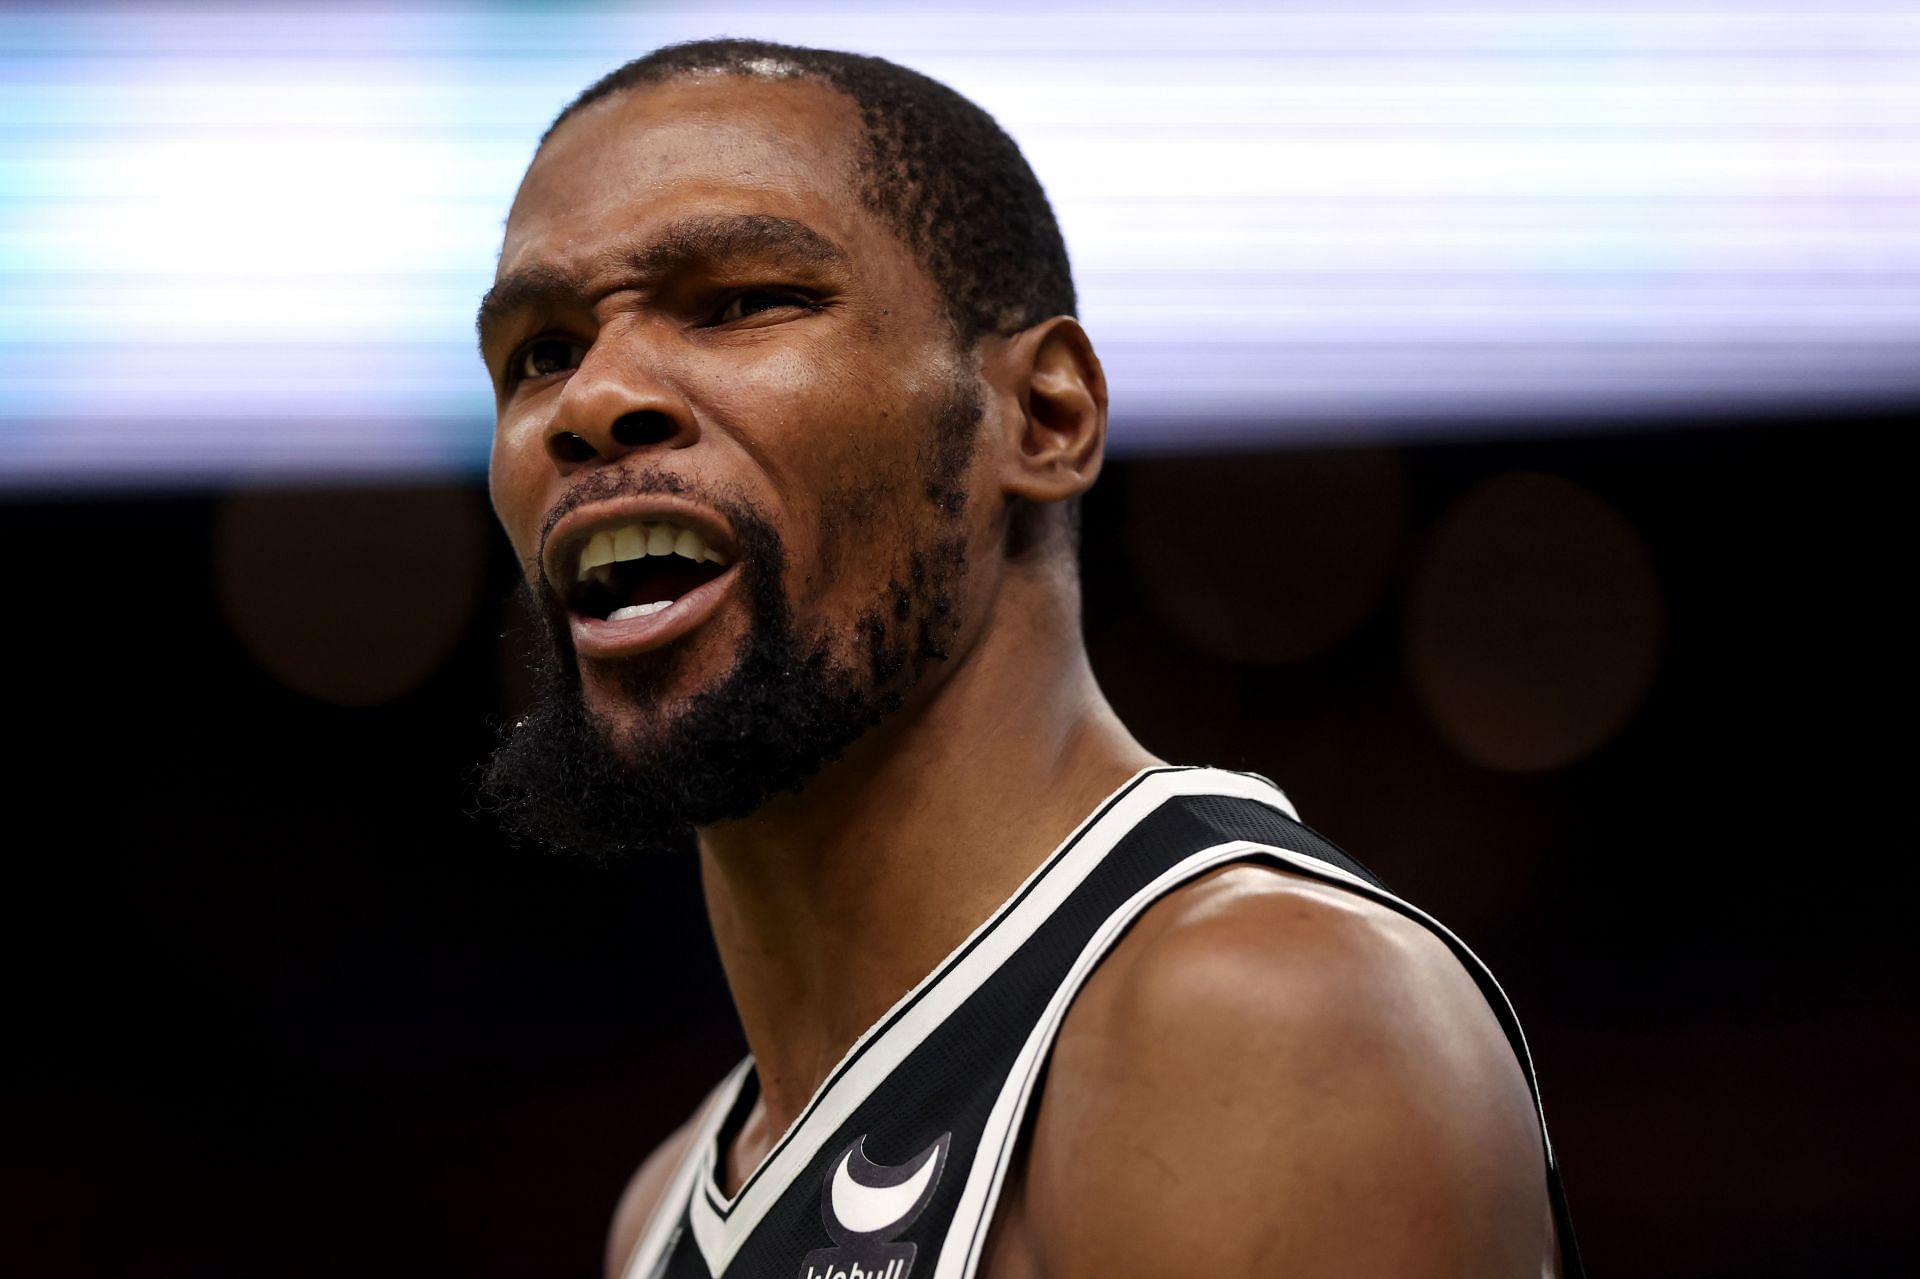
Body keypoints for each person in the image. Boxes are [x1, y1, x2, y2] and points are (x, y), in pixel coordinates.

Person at [475, 38, 1582, 1279]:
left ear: (1043, 416)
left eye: (741, 302)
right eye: (541, 353)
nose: (590, 399)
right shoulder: (670, 1202)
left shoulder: (1256, 1015)